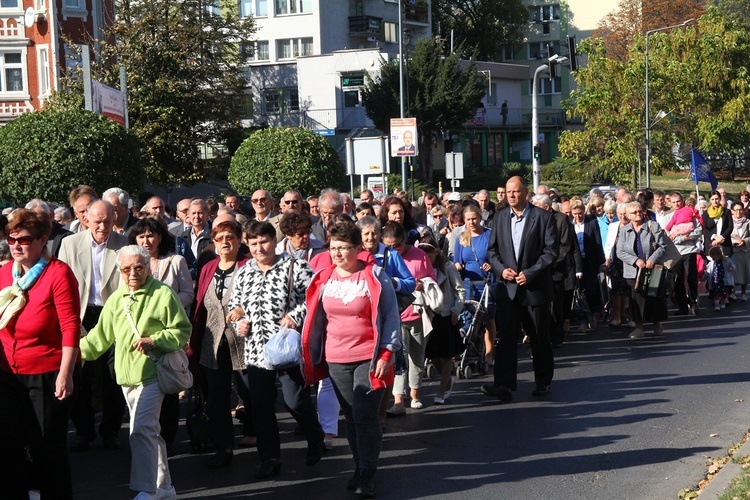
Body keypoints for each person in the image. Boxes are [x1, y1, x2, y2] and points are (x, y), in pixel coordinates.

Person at [79, 245, 191, 500]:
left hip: (154, 373)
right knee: (149, 431)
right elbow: (99, 337)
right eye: (126, 269)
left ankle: (148, 489)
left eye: (138, 268)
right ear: (119, 270)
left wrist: (154, 340)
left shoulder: (163, 294)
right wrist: (72, 353)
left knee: (140, 430)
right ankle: (165, 488)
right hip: (126, 376)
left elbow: (182, 331)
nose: (132, 273)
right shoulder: (117, 299)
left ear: (148, 267)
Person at [302, 221, 401, 497]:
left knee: (367, 417)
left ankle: (368, 474)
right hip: (335, 359)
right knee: (353, 418)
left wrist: (386, 353)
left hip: (369, 359)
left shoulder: (375, 276)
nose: (338, 253)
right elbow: (313, 317)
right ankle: (360, 467)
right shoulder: (323, 278)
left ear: (358, 248)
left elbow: (391, 318)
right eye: (333, 248)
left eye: (344, 248)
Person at [226, 221, 324, 479]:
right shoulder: (244, 271)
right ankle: (269, 458)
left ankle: (315, 437)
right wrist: (238, 320)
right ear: (248, 244)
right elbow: (235, 306)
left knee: (294, 401)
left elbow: (314, 297)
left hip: (286, 348)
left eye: (264, 241)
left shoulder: (295, 266)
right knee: (261, 408)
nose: (259, 248)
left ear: (274, 240)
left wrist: (295, 315)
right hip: (256, 351)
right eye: (254, 243)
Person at [0, 209, 80, 498]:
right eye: (12, 239)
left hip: (46, 372)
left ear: (43, 239)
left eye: (24, 239)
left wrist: (66, 373)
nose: (16, 245)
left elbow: (71, 326)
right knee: (8, 445)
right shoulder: (4, 273)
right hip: (8, 373)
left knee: (46, 446)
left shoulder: (57, 273)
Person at [58, 199, 129, 452]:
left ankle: (110, 431)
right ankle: (84, 431)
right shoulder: (69, 244)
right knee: (81, 374)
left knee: (114, 374)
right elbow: (63, 283)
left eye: (108, 222)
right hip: (80, 315)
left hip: (112, 315)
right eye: (97, 221)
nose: (102, 227)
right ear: (86, 219)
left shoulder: (124, 244)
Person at [481, 176, 558, 401]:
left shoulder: (543, 217)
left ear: (525, 193)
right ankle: (503, 385)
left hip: (534, 289)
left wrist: (531, 273)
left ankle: (543, 381)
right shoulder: (500, 218)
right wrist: (501, 270)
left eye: (516, 191)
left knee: (538, 338)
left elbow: (551, 251)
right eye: (508, 192)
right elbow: (492, 251)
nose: (511, 195)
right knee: (506, 338)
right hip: (508, 288)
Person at [129, 216, 194, 455]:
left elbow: (189, 292)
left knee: (167, 386)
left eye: (151, 235)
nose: (146, 240)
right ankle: (147, 438)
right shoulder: (130, 264)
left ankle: (168, 439)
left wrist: (168, 303)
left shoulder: (175, 261)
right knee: (144, 389)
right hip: (138, 337)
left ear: (160, 237)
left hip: (168, 332)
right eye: (141, 236)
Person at [190, 220, 251, 468]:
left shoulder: (248, 266)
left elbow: (257, 297)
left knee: (250, 393)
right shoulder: (208, 268)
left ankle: (260, 439)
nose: (225, 242)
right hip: (212, 341)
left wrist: (243, 308)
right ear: (213, 242)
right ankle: (223, 446)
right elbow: (199, 304)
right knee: (216, 397)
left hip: (244, 340)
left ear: (239, 240)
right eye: (219, 238)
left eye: (230, 237)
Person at [383, 222, 435, 414]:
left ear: (404, 240)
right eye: (387, 245)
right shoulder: (384, 256)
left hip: (418, 311)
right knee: (399, 357)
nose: (392, 249)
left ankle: (415, 393)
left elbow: (432, 277)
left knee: (417, 356)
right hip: (396, 315)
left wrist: (422, 283)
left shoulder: (419, 254)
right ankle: (398, 400)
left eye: (396, 245)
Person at [420, 233, 464, 404]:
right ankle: (447, 380)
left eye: (428, 254)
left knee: (447, 355)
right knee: (432, 354)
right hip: (429, 316)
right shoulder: (422, 269)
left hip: (446, 315)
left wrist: (455, 310)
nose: (426, 258)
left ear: (436, 252)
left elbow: (460, 290)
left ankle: (441, 390)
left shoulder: (448, 267)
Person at [616, 202, 668, 338]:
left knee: (654, 296)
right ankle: (639, 327)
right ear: (628, 215)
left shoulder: (653, 225)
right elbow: (619, 252)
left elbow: (662, 246)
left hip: (653, 268)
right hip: (633, 271)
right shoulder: (623, 230)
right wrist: (635, 261)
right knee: (637, 299)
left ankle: (657, 323)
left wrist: (652, 259)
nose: (638, 214)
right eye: (634, 212)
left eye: (640, 211)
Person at [453, 204, 496, 365]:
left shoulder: (489, 235)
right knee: (468, 315)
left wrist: (492, 265)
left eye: (474, 218)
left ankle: (489, 352)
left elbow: (497, 256)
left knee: (487, 318)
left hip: (486, 283)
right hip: (467, 283)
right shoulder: (461, 238)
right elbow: (456, 260)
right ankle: (467, 347)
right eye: (468, 219)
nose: (471, 222)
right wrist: (457, 266)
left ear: (480, 218)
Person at [570, 199, 605, 332]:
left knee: (591, 291)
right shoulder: (569, 225)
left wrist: (601, 262)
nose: (578, 216)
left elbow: (597, 242)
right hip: (576, 263)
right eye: (575, 214)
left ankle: (592, 313)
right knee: (579, 292)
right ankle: (582, 320)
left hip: (590, 262)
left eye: (580, 213)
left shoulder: (591, 223)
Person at [668, 192, 702, 316]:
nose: (676, 204)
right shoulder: (669, 217)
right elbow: (668, 235)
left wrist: (688, 237)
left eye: (678, 201)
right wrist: (682, 238)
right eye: (673, 202)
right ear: (670, 203)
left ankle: (693, 303)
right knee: (678, 279)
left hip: (689, 250)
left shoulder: (690, 213)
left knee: (691, 276)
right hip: (675, 252)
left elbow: (698, 231)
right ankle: (682, 305)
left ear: (682, 201)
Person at [703, 190, 733, 259]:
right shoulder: (706, 213)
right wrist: (714, 237)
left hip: (724, 244)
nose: (715, 201)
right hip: (711, 244)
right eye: (712, 199)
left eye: (716, 199)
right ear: (710, 200)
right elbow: (704, 229)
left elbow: (730, 226)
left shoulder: (726, 212)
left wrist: (722, 237)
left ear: (720, 199)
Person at [704, 246, 734, 311]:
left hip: (724, 281)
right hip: (715, 281)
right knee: (716, 293)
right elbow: (708, 272)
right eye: (712, 258)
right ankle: (717, 305)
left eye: (714, 258)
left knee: (724, 293)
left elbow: (733, 265)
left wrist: (732, 267)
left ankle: (723, 302)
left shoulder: (726, 260)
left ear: (719, 255)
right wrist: (703, 278)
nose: (714, 259)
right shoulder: (711, 263)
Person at [730, 201, 750, 300]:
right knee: (734, 271)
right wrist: (734, 241)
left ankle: (743, 293)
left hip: (745, 251)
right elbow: (725, 235)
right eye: (736, 210)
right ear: (732, 211)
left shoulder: (748, 222)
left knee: (745, 272)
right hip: (734, 250)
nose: (738, 212)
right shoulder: (729, 222)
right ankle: (733, 292)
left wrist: (745, 241)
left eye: (740, 209)